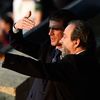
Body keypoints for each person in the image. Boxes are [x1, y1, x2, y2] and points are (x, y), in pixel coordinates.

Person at [0, 20, 99, 100]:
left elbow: (43, 69)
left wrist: (3, 57)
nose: (61, 40)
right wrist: (16, 28)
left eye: (64, 36)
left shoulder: (77, 63)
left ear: (76, 42)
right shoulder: (89, 59)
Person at [11, 9, 76, 100]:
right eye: (50, 28)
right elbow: (18, 44)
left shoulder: (75, 60)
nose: (50, 33)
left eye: (55, 29)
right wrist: (16, 27)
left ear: (68, 30)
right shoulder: (47, 49)